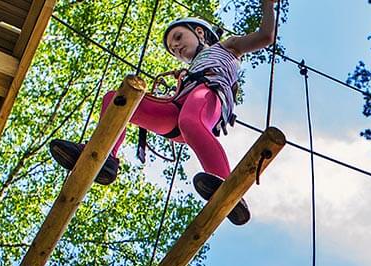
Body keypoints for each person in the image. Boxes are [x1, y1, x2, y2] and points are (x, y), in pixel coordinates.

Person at [48, 3, 278, 226]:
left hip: (207, 98)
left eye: (177, 38)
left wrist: (268, 5)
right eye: (171, 48)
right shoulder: (187, 72)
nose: (175, 48)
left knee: (190, 120)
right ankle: (106, 158)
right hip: (178, 109)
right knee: (116, 100)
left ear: (199, 32)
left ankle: (226, 185)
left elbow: (266, 36)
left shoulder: (227, 47)